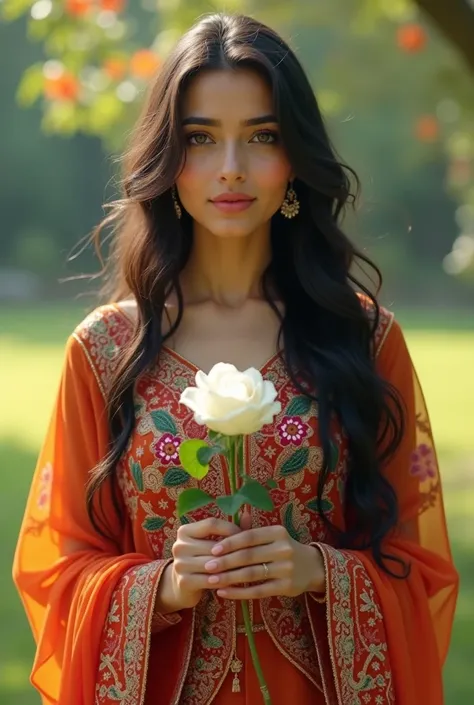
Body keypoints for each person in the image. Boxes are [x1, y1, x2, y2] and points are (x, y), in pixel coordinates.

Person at [13, 12, 458, 705]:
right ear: (168, 157)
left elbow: (421, 567)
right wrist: (160, 583)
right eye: (200, 139)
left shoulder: (363, 342)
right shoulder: (105, 354)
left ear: (295, 158)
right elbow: (53, 571)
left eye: (262, 136)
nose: (231, 168)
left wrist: (318, 571)